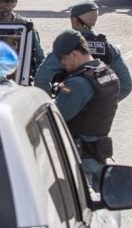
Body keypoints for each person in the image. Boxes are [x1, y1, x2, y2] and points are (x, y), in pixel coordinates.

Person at [49, 29, 121, 187]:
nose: (62, 64)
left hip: (81, 161)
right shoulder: (107, 74)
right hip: (99, 158)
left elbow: (55, 117)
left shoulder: (79, 83)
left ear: (74, 54)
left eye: (64, 58)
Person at [35, 0, 132, 98]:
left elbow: (41, 78)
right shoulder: (109, 48)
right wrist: (105, 103)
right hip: (100, 109)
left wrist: (53, 104)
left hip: (69, 105)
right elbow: (126, 86)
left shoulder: (67, 47)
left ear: (75, 21)